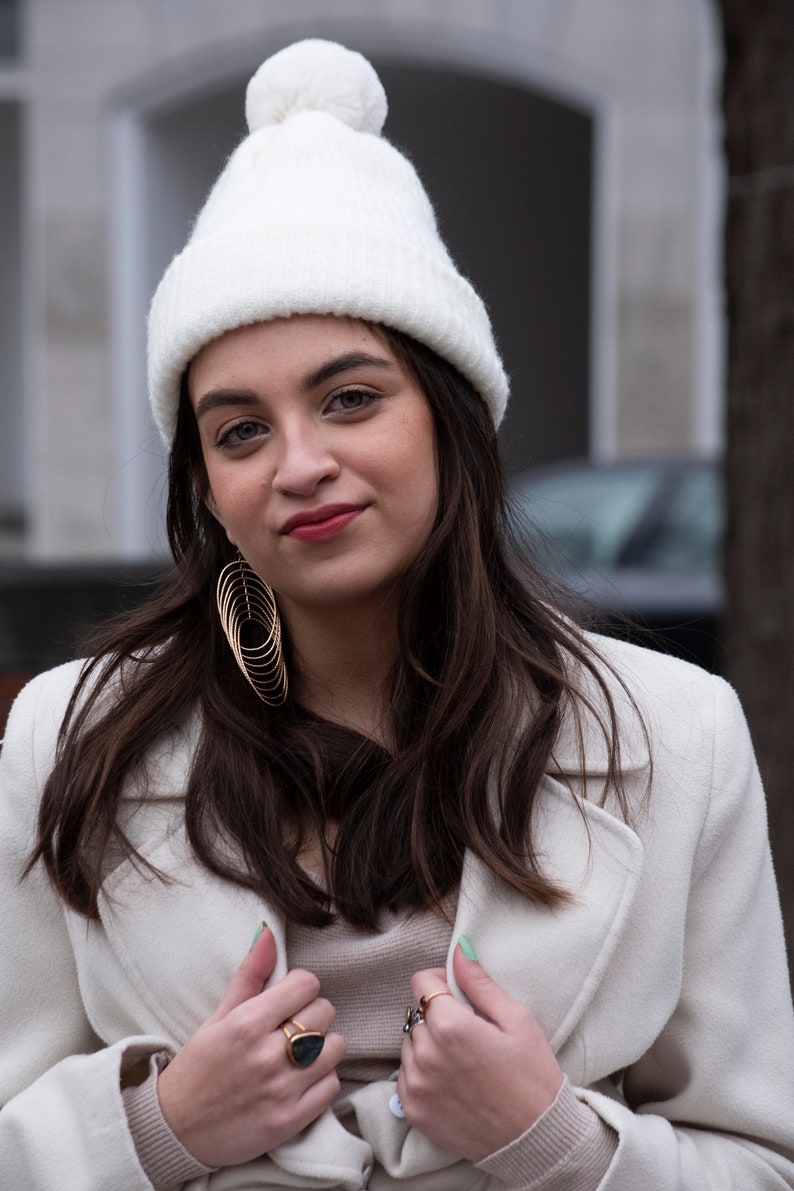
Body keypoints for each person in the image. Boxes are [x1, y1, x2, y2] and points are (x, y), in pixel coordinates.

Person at [1, 38, 792, 1191]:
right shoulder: (71, 737)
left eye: (351, 398)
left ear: (450, 418)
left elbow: (762, 1165)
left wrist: (552, 1141)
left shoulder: (677, 737)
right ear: (207, 492)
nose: (299, 464)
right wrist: (159, 1126)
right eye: (239, 431)